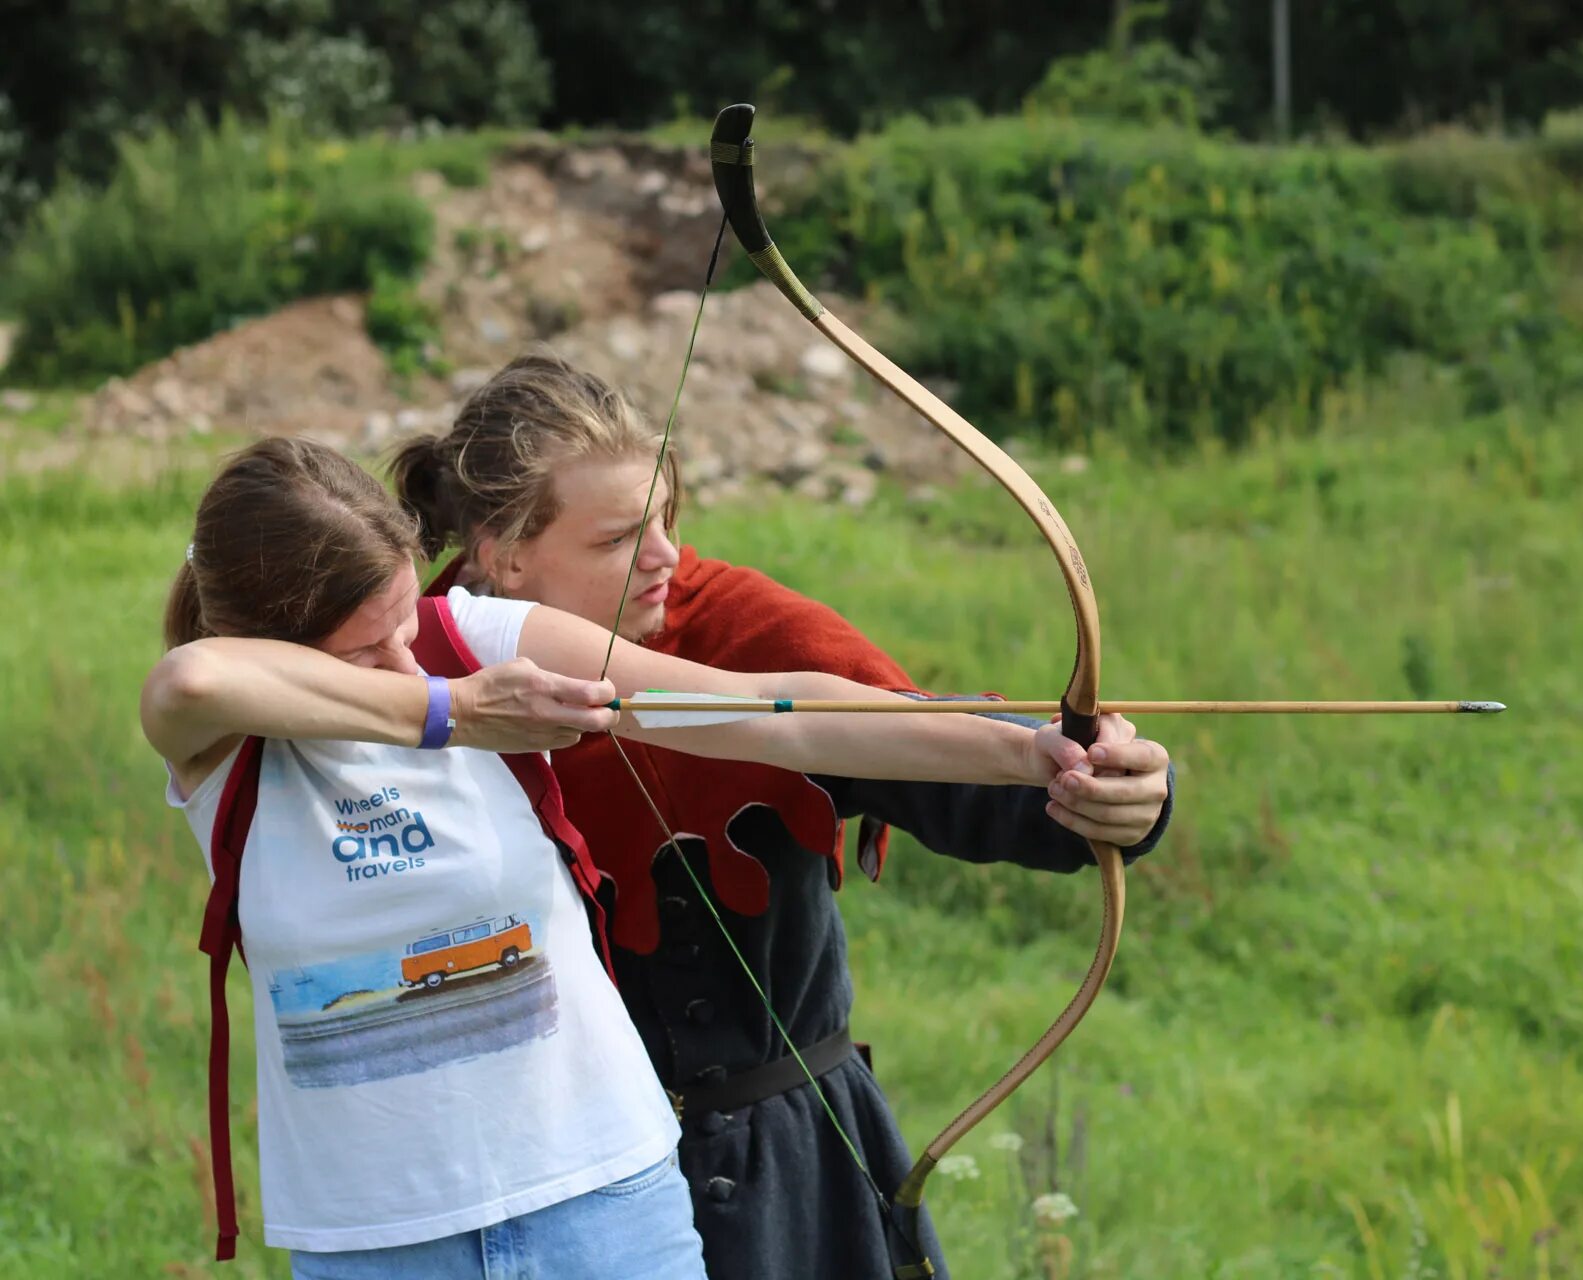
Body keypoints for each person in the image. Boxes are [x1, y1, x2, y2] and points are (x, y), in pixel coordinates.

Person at [143, 437, 1106, 1279]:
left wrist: (1024, 753)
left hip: (599, 1201)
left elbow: (772, 717)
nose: (407, 660)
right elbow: (194, 674)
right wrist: (456, 715)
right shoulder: (221, 735)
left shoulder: (468, 638)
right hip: (379, 1237)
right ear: (266, 639)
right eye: (364, 653)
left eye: (405, 627)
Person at [391, 353, 1176, 1279]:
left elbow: (919, 747)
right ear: (502, 552)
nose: (664, 558)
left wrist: (1101, 790)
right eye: (616, 540)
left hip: (795, 1180)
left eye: (666, 521)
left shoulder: (740, 631)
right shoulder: (409, 679)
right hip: (549, 1182)